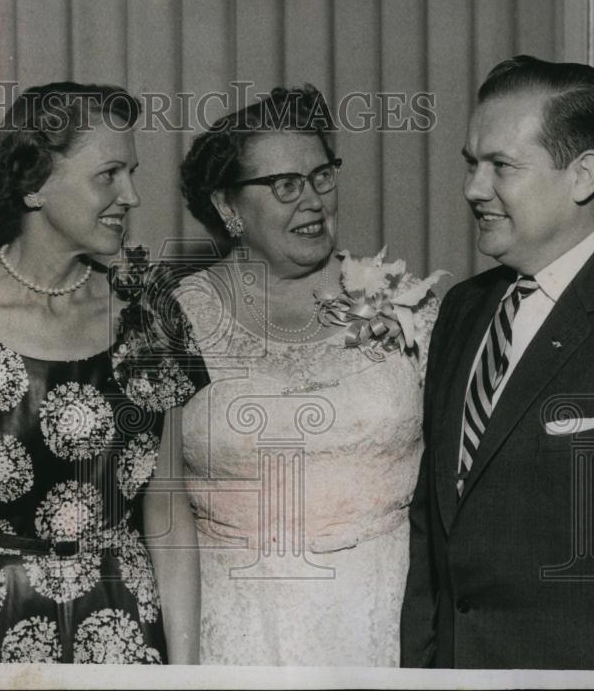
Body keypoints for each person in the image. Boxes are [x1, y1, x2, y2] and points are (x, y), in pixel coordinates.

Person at [401, 56, 594, 670]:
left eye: (501, 166)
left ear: (582, 176)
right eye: (472, 163)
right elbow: (431, 537)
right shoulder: (462, 310)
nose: (473, 187)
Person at [0, 83, 207, 664]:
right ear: (34, 186)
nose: (131, 195)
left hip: (125, 624)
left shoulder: (150, 312)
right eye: (108, 174)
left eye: (131, 172)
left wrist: (185, 672)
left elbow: (169, 511)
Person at [173, 85, 441, 665]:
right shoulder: (174, 318)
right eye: (285, 185)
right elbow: (154, 499)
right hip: (239, 630)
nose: (314, 201)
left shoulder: (403, 304)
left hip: (388, 618)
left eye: (322, 176)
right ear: (227, 206)